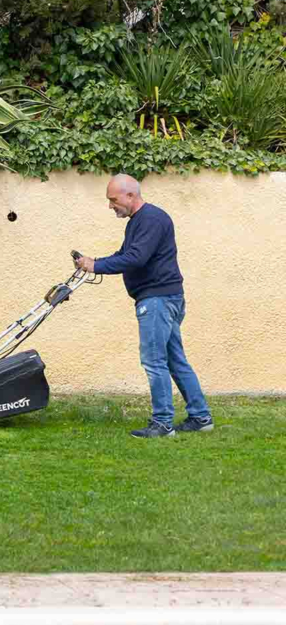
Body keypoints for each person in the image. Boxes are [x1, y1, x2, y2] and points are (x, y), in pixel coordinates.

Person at [74, 174, 213, 438]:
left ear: (130, 195)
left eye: (113, 200)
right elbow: (125, 255)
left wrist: (97, 266)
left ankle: (162, 423)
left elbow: (136, 259)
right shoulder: (139, 221)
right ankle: (200, 417)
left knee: (154, 361)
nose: (110, 206)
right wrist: (94, 262)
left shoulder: (151, 219)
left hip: (157, 300)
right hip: (165, 297)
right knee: (174, 360)